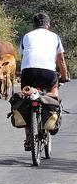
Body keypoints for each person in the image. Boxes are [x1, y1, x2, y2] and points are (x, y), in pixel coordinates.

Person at [20, 12, 69, 151]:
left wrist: (23, 73)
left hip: (28, 72)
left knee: (26, 99)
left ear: (33, 25)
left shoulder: (27, 36)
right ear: (48, 25)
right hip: (48, 73)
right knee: (53, 92)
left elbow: (24, 57)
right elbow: (61, 60)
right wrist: (64, 76)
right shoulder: (55, 37)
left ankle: (29, 138)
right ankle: (52, 118)